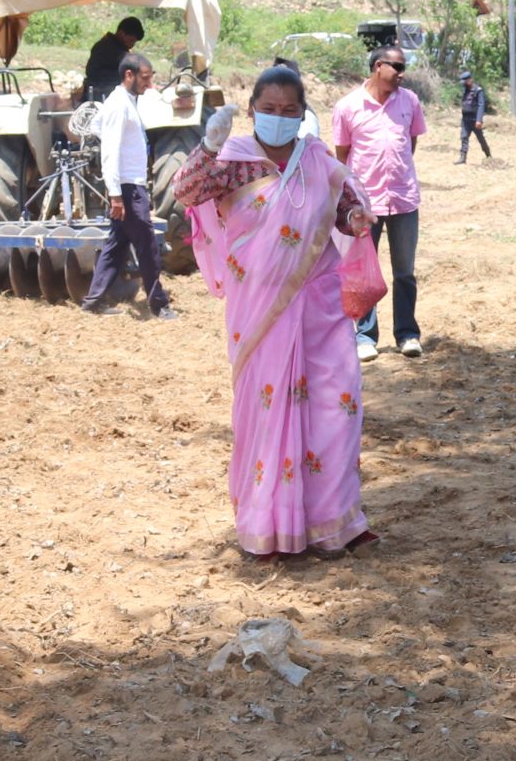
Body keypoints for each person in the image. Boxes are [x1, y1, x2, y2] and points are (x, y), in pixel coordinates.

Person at [171, 63, 376, 557]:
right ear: (252, 110)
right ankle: (271, 526)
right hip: (259, 313)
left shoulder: (317, 160)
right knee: (269, 417)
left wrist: (356, 217)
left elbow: (346, 211)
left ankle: (334, 522)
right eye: (269, 109)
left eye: (289, 110)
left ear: (303, 113)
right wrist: (208, 147)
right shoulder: (233, 162)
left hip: (321, 307)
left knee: (336, 408)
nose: (279, 117)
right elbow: (186, 192)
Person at [333, 45, 428, 361]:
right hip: (365, 205)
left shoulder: (410, 101)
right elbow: (342, 155)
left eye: (403, 67)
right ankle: (364, 337)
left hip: (403, 199)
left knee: (405, 272)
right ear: (378, 66)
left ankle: (407, 334)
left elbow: (409, 144)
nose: (402, 74)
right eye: (397, 67)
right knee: (363, 272)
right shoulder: (348, 106)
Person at [85, 52, 176, 320]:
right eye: (145, 78)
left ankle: (93, 302)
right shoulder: (118, 105)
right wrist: (115, 195)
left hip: (129, 186)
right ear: (129, 75)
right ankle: (159, 305)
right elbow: (109, 152)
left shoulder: (125, 102)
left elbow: (97, 125)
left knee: (117, 245)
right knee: (147, 246)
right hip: (128, 188)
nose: (149, 83)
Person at [85, 17, 145, 103]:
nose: (132, 45)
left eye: (134, 42)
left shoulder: (119, 47)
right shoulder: (107, 47)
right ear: (121, 34)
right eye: (131, 40)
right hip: (99, 93)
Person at [457, 71, 492, 161]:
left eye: (465, 81)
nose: (464, 84)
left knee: (481, 139)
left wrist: (479, 120)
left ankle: (488, 155)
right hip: (465, 119)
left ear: (470, 80)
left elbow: (481, 105)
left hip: (475, 120)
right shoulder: (465, 90)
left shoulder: (478, 90)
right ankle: (462, 157)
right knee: (464, 137)